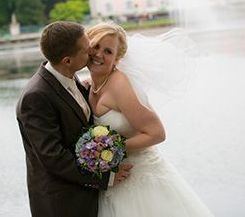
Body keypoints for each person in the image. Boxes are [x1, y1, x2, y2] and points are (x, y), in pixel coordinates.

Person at [86, 22, 215, 217]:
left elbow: (157, 134)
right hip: (113, 179)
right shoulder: (86, 85)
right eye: (95, 46)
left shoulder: (120, 85)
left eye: (108, 51)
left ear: (117, 59)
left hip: (140, 178)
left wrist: (109, 149)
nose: (98, 54)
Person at [16, 21, 132, 217]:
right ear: (68, 60)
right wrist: (106, 178)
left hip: (83, 198)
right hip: (61, 204)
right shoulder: (35, 97)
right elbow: (54, 158)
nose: (93, 53)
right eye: (87, 50)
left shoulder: (70, 78)